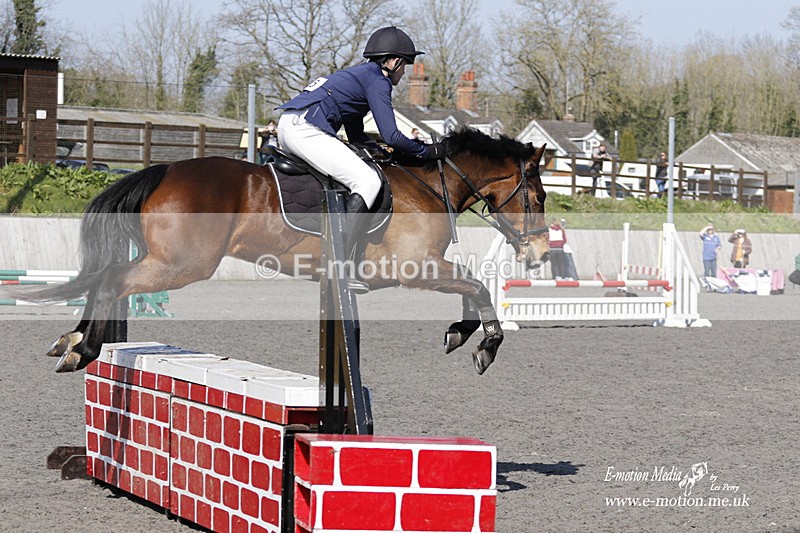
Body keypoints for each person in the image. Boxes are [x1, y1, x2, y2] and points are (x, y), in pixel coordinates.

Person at [276, 26, 446, 293]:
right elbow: (391, 135)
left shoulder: (361, 76)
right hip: (305, 128)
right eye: (406, 65)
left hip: (292, 124)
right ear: (394, 62)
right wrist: (428, 152)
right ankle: (341, 263)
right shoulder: (378, 80)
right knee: (366, 181)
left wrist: (378, 147)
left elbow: (355, 133)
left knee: (359, 171)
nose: (405, 72)